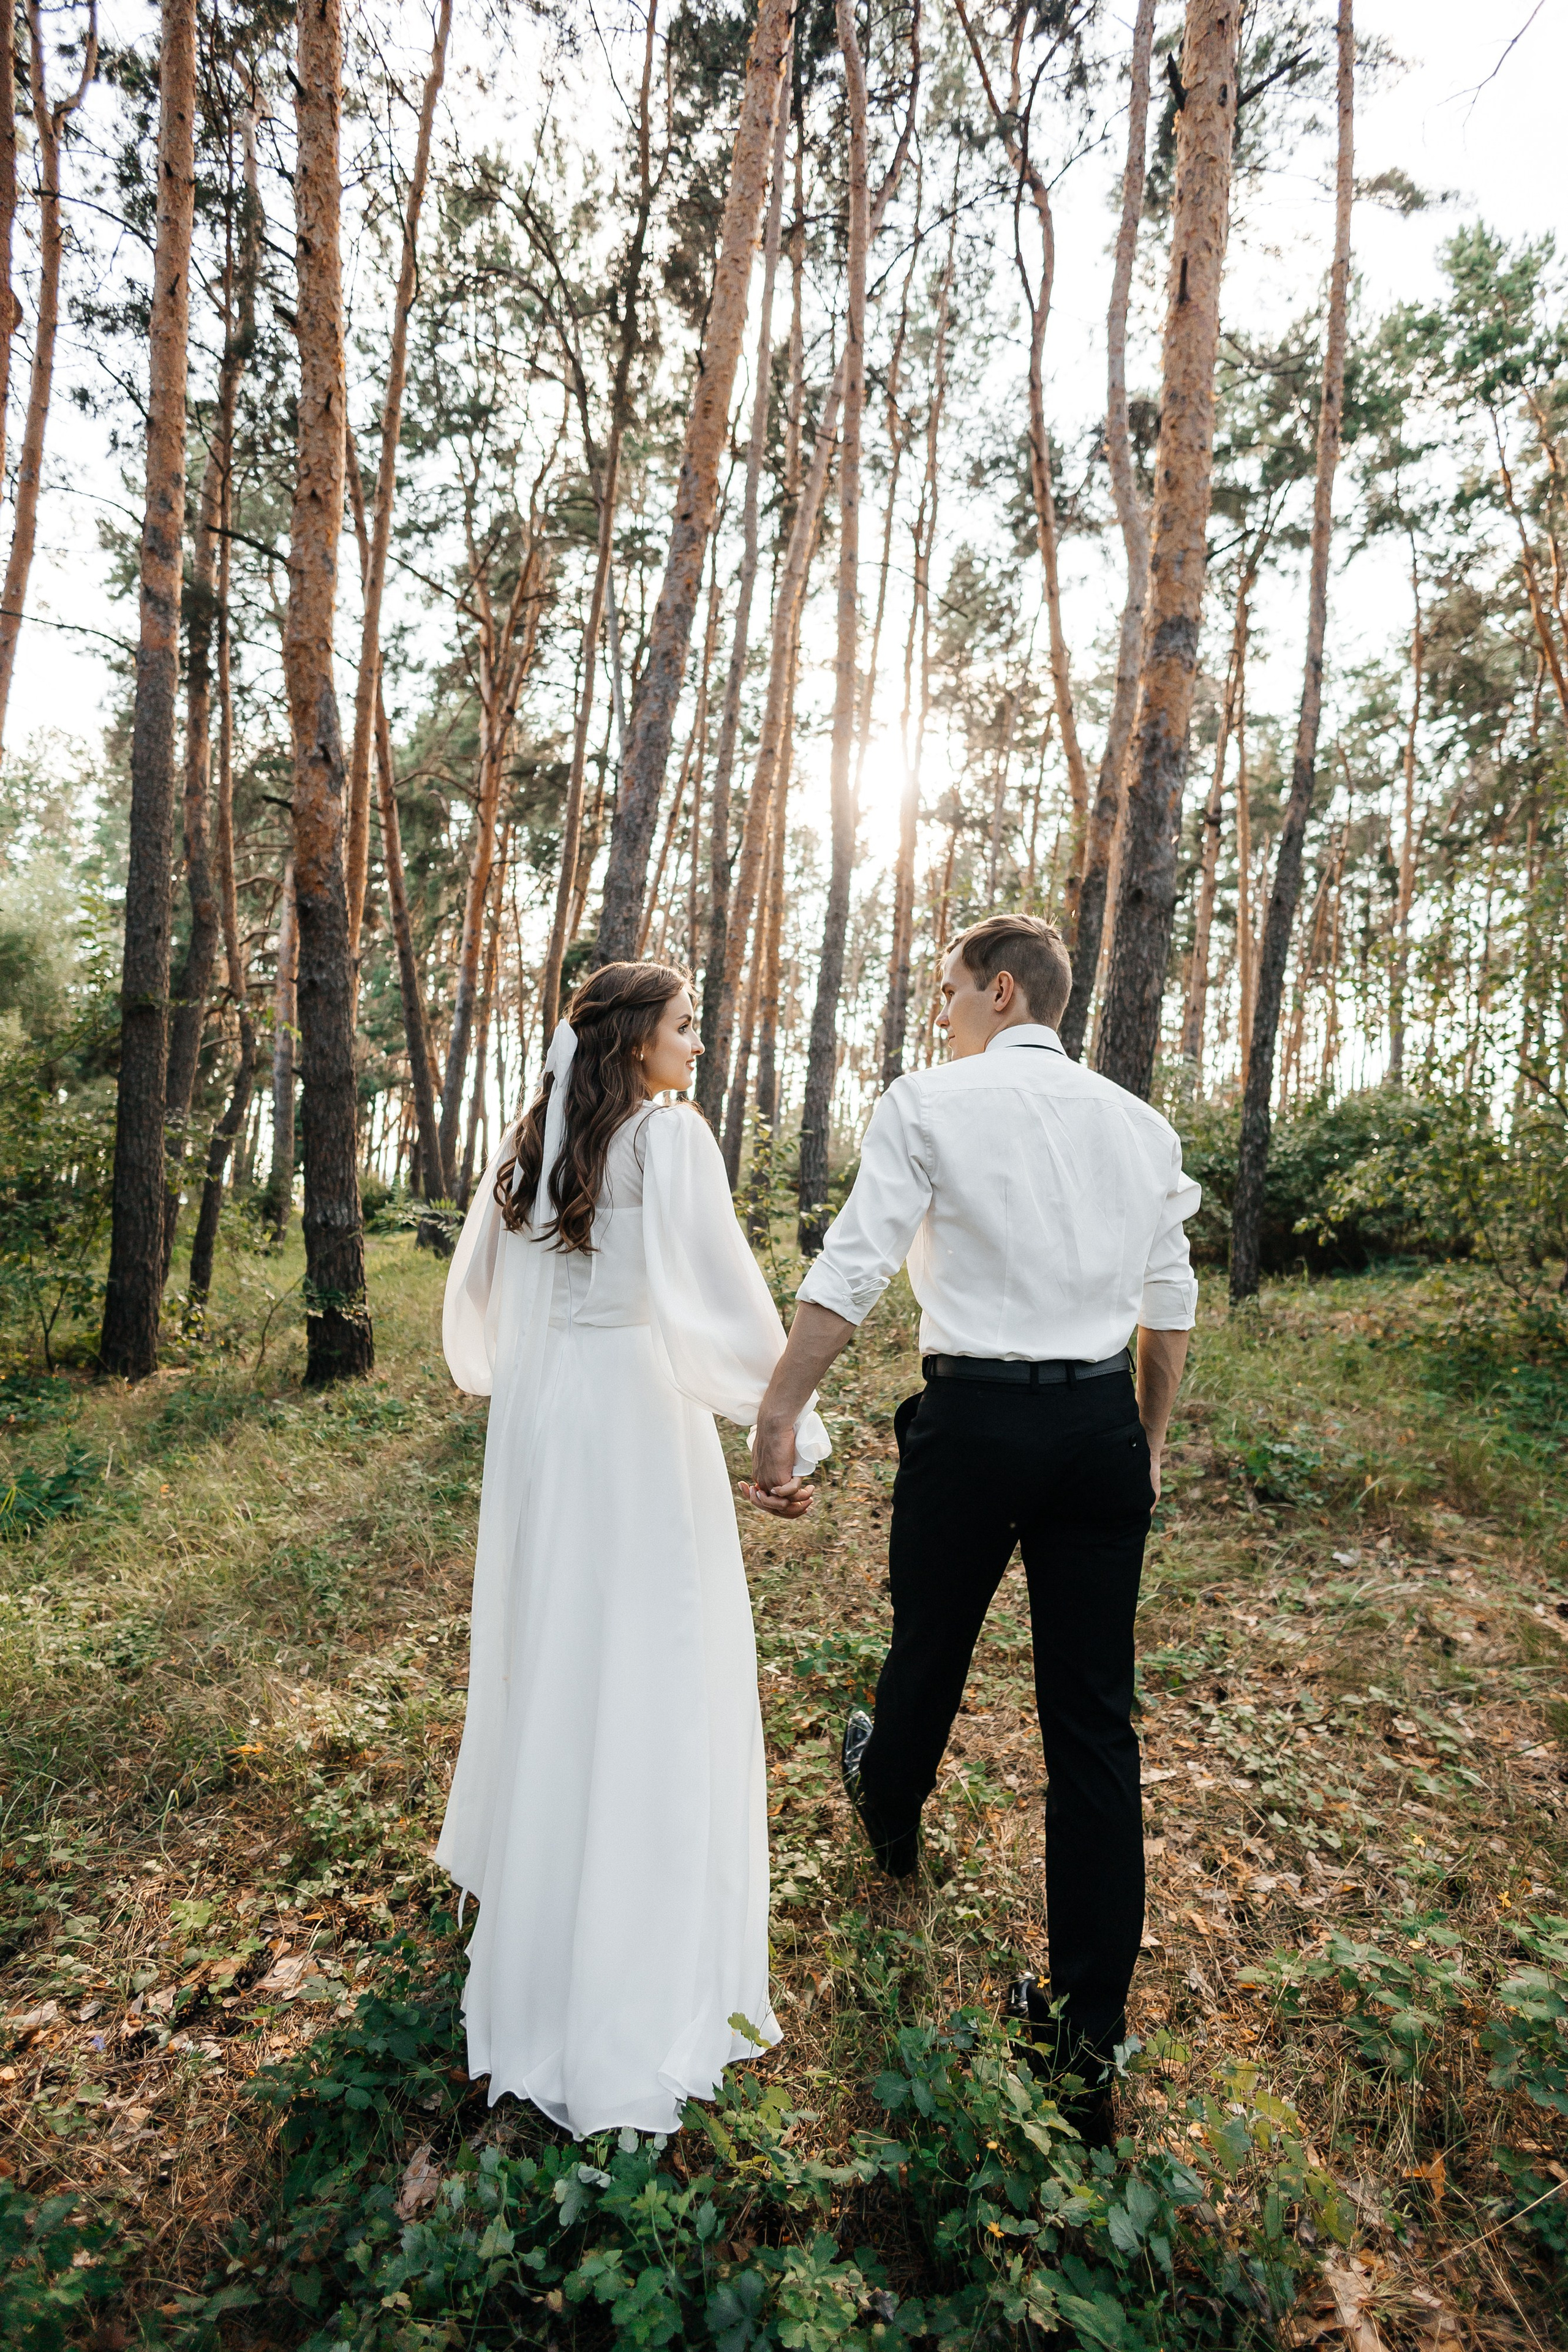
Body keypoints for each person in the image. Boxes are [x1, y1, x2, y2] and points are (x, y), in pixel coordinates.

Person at [747, 914, 1199, 2133]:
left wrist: (779, 1410)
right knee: (1093, 1727)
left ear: (1001, 993)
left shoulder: (928, 1103)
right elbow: (1168, 1313)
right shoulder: (1140, 1128)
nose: (938, 1010)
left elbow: (851, 1267)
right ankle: (1084, 2055)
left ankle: (886, 1811)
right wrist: (1144, 1445)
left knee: (929, 1646)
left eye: (948, 990)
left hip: (975, 1424)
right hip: (1100, 1427)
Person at [439, 960, 827, 2138]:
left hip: (547, 1432)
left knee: (557, 1649)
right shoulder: (669, 1142)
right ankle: (634, 1942)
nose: (696, 1045)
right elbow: (715, 1302)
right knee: (652, 1661)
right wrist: (789, 1438)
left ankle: (547, 1896)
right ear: (632, 1041)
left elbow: (481, 1310)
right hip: (635, 1422)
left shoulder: (530, 1151)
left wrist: (537, 1381)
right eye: (683, 1025)